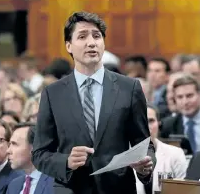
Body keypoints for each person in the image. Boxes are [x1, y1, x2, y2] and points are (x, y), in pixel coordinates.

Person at [32, 11, 156, 194]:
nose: (91, 42)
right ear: (69, 46)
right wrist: (66, 161)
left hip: (118, 188)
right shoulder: (52, 93)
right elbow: (40, 154)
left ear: (103, 43)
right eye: (82, 36)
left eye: (96, 36)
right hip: (71, 188)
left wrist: (145, 167)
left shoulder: (129, 88)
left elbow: (145, 145)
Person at [136, 104, 187, 194]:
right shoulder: (123, 158)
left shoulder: (175, 154)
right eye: (141, 121)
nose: (146, 127)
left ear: (159, 123)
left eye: (151, 121)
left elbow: (184, 190)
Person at [6, 123, 54, 194]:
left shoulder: (55, 184)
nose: (8, 151)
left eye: (14, 144)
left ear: (34, 147)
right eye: (9, 144)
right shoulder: (13, 185)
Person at [161, 75, 200, 154]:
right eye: (180, 97)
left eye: (189, 96)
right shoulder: (167, 125)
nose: (185, 102)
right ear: (174, 99)